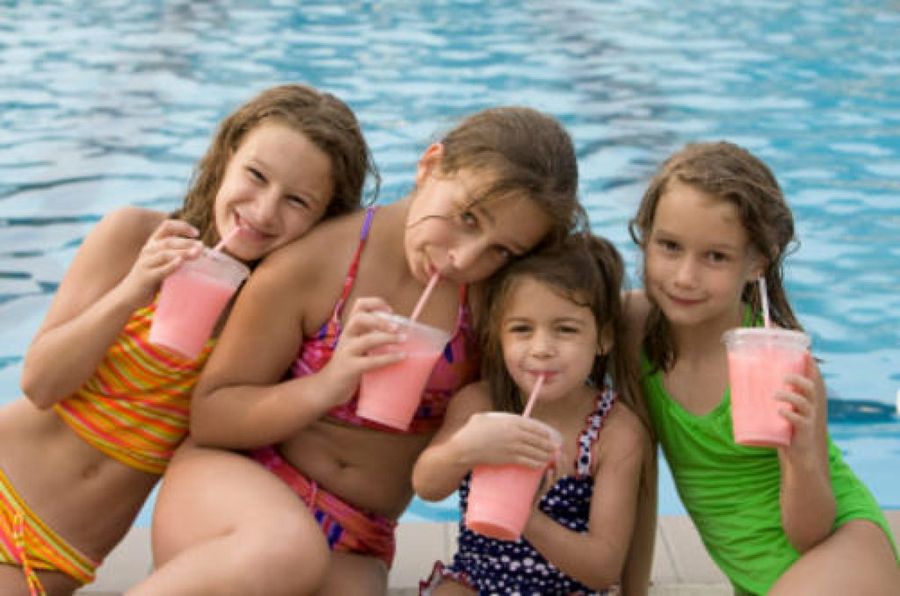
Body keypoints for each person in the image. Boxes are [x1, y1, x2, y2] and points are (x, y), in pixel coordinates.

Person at [132, 106, 586, 596]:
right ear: (431, 165)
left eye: (503, 250)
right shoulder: (317, 263)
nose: (465, 257)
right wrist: (329, 384)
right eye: (467, 217)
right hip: (237, 487)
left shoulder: (496, 300)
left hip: (358, 534)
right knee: (286, 549)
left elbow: (590, 319)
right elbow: (211, 416)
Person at [0, 83, 377, 596]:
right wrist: (133, 290)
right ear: (226, 156)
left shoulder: (276, 320)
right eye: (256, 176)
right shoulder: (133, 236)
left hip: (53, 555)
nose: (264, 211)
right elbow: (40, 383)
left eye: (296, 200)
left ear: (323, 219)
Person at [627, 141, 899, 595]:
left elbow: (809, 533)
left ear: (757, 262)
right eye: (669, 246)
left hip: (840, 552)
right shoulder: (635, 329)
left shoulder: (779, 365)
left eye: (715, 256)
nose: (684, 277)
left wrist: (800, 456)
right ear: (646, 236)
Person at [414, 232, 652, 595]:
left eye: (566, 329)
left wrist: (521, 515)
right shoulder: (480, 404)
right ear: (499, 336)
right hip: (478, 580)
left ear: (603, 338)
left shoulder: (615, 432)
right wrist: (466, 449)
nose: (542, 349)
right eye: (522, 329)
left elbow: (603, 567)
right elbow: (426, 486)